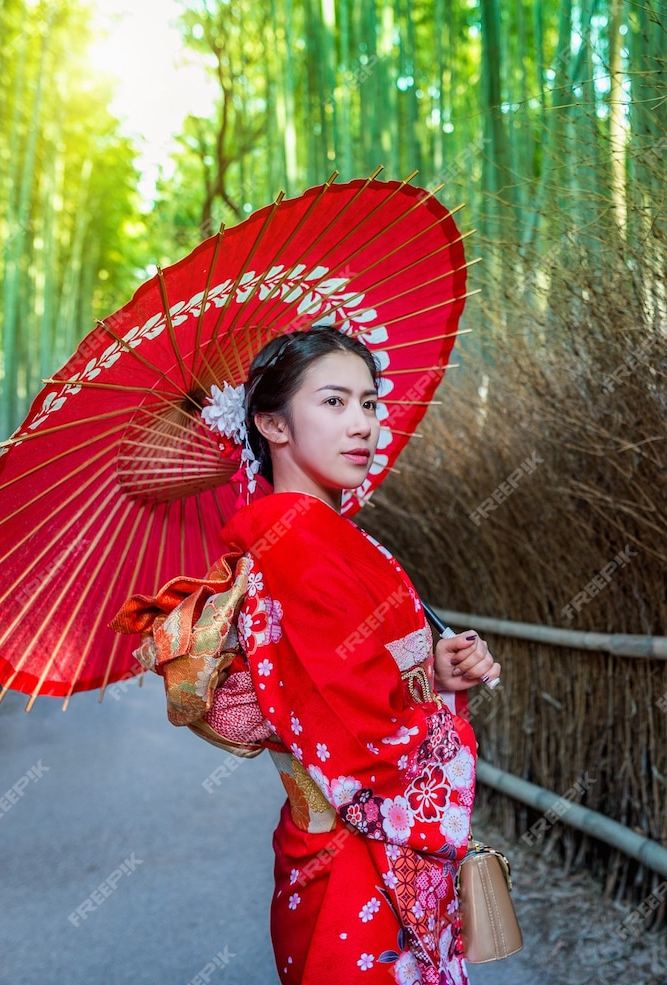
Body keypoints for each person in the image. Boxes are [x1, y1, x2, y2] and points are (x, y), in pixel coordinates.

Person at [199, 325, 500, 985]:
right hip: (355, 859)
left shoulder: (332, 539)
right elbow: (359, 733)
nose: (362, 423)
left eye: (369, 402)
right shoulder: (297, 545)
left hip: (348, 846)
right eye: (334, 402)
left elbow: (377, 678)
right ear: (272, 424)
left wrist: (438, 673)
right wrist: (443, 727)